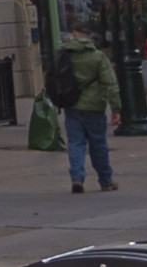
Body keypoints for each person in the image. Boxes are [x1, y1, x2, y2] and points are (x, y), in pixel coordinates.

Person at [52, 10, 124, 193]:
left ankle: (77, 177)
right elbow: (110, 83)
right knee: (98, 143)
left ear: (74, 34)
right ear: (89, 35)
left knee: (76, 143)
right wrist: (116, 108)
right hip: (94, 106)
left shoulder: (64, 54)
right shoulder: (98, 56)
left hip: (71, 105)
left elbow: (54, 78)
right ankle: (106, 180)